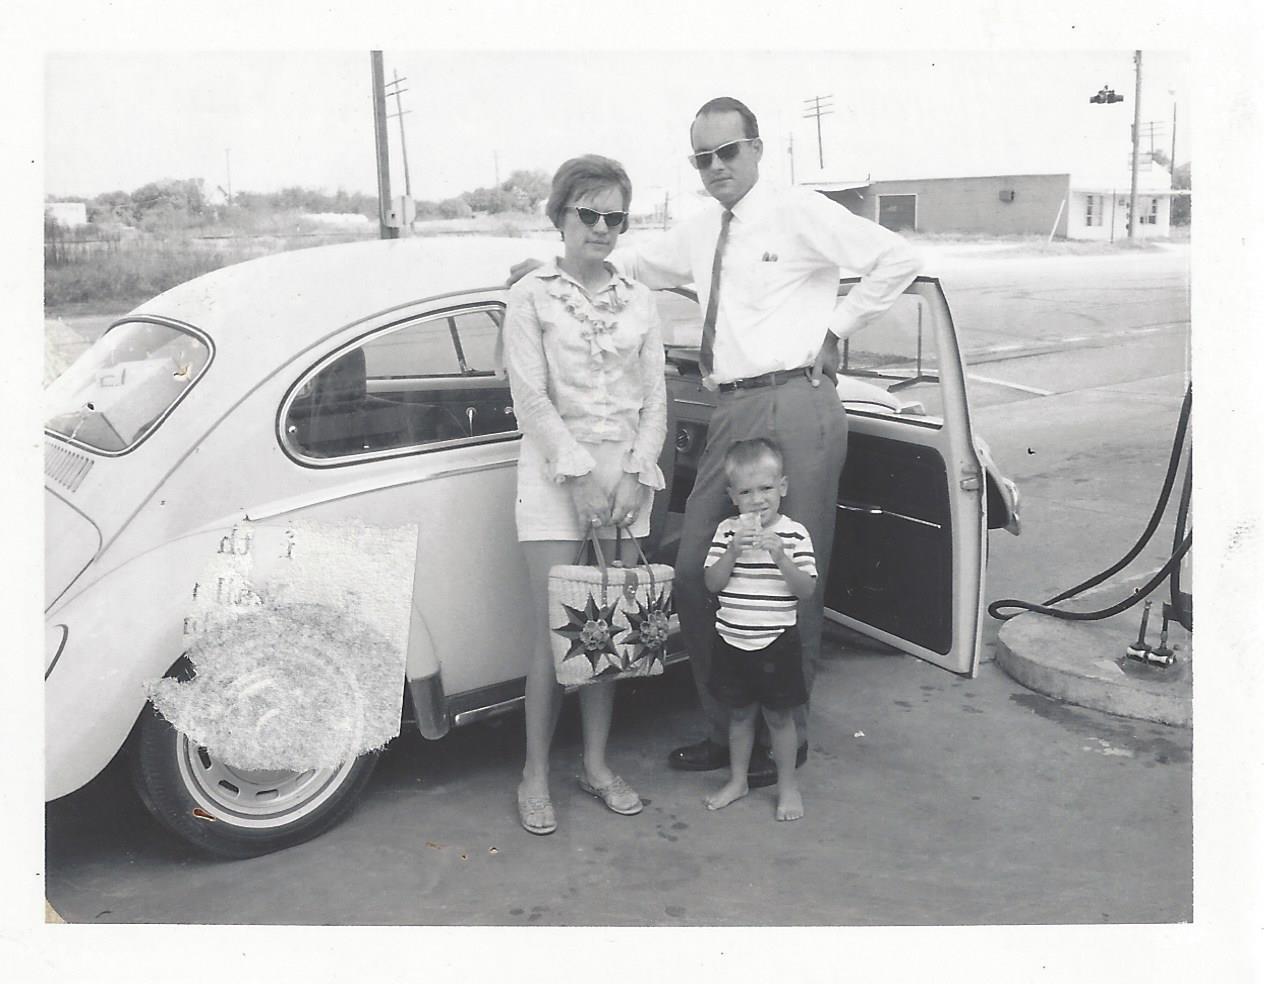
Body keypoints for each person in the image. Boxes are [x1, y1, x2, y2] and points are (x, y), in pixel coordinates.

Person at [508, 97, 919, 788]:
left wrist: (836, 328)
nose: (717, 166)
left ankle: (784, 738)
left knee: (795, 572)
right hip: (731, 407)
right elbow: (626, 260)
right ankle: (725, 725)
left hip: (795, 401)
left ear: (757, 148)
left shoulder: (800, 210)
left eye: (728, 152)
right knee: (697, 571)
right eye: (703, 157)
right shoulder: (701, 229)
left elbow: (897, 259)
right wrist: (543, 266)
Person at [503, 154, 667, 835]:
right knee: (556, 635)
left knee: (607, 633)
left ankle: (595, 765)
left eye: (615, 217)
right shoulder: (531, 296)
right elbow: (530, 398)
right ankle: (534, 773)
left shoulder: (640, 298)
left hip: (626, 479)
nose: (602, 228)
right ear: (560, 216)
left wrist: (635, 472)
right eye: (588, 214)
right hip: (551, 479)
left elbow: (655, 399)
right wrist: (576, 477)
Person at [702, 438, 816, 821]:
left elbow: (806, 589)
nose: (757, 500)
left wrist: (781, 556)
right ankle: (738, 779)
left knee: (780, 719)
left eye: (766, 489)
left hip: (776, 643)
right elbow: (712, 583)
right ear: (733, 496)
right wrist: (733, 551)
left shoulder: (796, 533)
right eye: (746, 492)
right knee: (738, 716)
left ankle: (787, 786)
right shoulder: (726, 532)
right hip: (732, 640)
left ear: (782, 487)